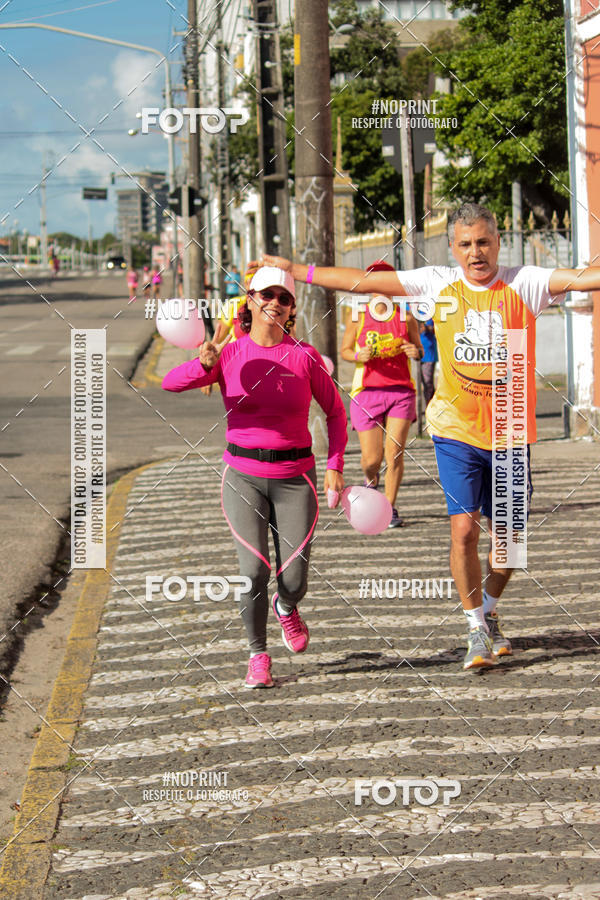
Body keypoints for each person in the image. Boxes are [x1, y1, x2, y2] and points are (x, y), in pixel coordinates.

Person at [253, 202, 600, 670]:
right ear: (453, 248)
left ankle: (490, 613)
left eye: (483, 242)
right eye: (465, 244)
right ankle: (475, 628)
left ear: (497, 242)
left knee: (510, 547)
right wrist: (296, 269)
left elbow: (583, 278)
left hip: (511, 430)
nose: (475, 252)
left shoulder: (525, 283)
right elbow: (364, 282)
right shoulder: (439, 282)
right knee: (463, 530)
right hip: (454, 430)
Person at [162, 266, 347, 688]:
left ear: (292, 308)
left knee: (294, 579)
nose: (275, 303)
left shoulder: (305, 356)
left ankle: (287, 607)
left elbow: (336, 412)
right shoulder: (227, 353)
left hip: (296, 477)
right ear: (249, 300)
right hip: (242, 475)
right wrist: (200, 362)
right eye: (267, 294)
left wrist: (335, 465)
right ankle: (258, 654)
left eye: (284, 297)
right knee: (253, 570)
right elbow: (171, 385)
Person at [340, 259, 423, 528]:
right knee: (371, 460)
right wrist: (357, 355)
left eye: (387, 284)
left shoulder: (406, 316)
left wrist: (415, 351)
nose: (381, 290)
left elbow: (419, 349)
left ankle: (389, 507)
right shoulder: (358, 317)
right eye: (375, 285)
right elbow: (345, 351)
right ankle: (370, 482)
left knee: (395, 452)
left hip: (401, 392)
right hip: (367, 393)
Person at [419, 318, 438, 407]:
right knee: (417, 385)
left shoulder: (429, 309)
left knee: (427, 384)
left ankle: (431, 408)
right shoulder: (406, 307)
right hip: (412, 354)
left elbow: (439, 329)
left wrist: (427, 328)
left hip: (428, 354)